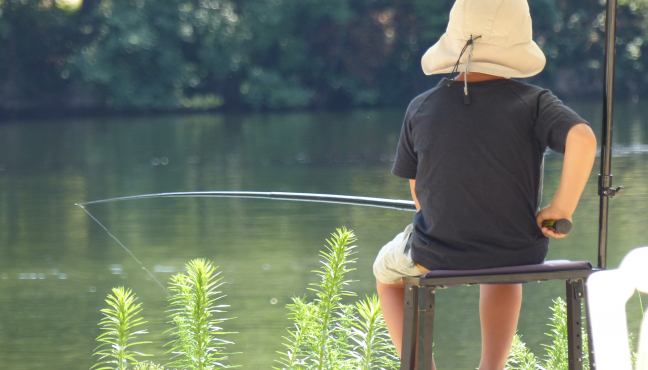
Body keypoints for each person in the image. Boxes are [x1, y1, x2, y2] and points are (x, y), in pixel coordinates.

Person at [372, 0, 598, 369]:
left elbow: (419, 197)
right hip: (517, 249)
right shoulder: (535, 102)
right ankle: (490, 367)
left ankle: (420, 366)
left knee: (386, 271)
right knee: (503, 272)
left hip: (438, 251)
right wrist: (561, 209)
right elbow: (584, 139)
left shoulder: (420, 107)